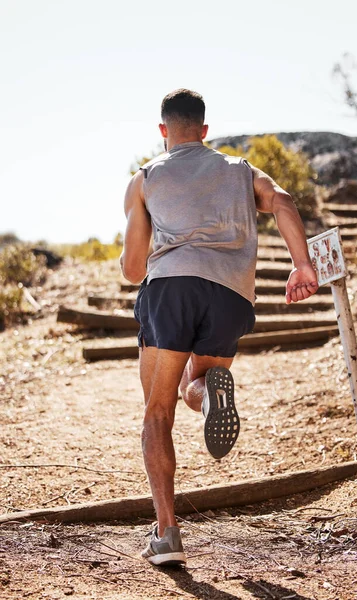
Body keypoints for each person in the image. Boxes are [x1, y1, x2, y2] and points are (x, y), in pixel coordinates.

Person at [120, 89, 318, 566]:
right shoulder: (242, 170)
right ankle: (209, 394)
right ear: (205, 131)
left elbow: (131, 269)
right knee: (199, 382)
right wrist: (302, 265)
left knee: (157, 413)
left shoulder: (145, 178)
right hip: (231, 295)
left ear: (163, 130)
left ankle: (167, 535)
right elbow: (284, 201)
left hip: (171, 291)